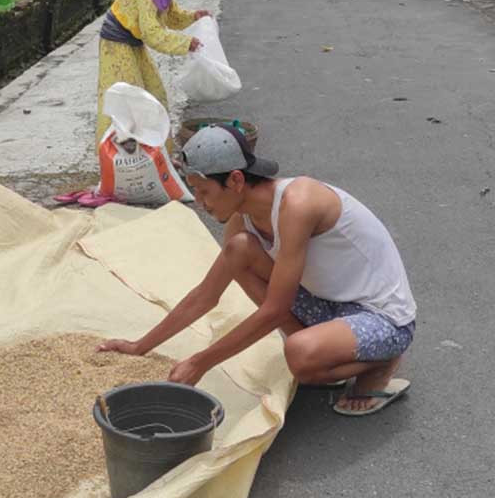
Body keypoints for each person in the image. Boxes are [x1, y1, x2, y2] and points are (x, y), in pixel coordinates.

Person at [98, 125, 418, 416]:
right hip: (331, 305)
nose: (200, 202)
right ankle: (330, 354)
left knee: (300, 356)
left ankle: (380, 365)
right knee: (238, 250)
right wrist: (139, 346)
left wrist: (199, 363)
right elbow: (205, 296)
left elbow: (275, 311)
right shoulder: (243, 215)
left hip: (382, 317)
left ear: (236, 180)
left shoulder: (299, 204)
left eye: (204, 191)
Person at [96, 0, 213, 150]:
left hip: (133, 43)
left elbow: (170, 15)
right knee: (125, 99)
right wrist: (186, 43)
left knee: (155, 94)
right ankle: (117, 154)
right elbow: (152, 34)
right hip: (116, 45)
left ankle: (158, 153)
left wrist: (194, 16)